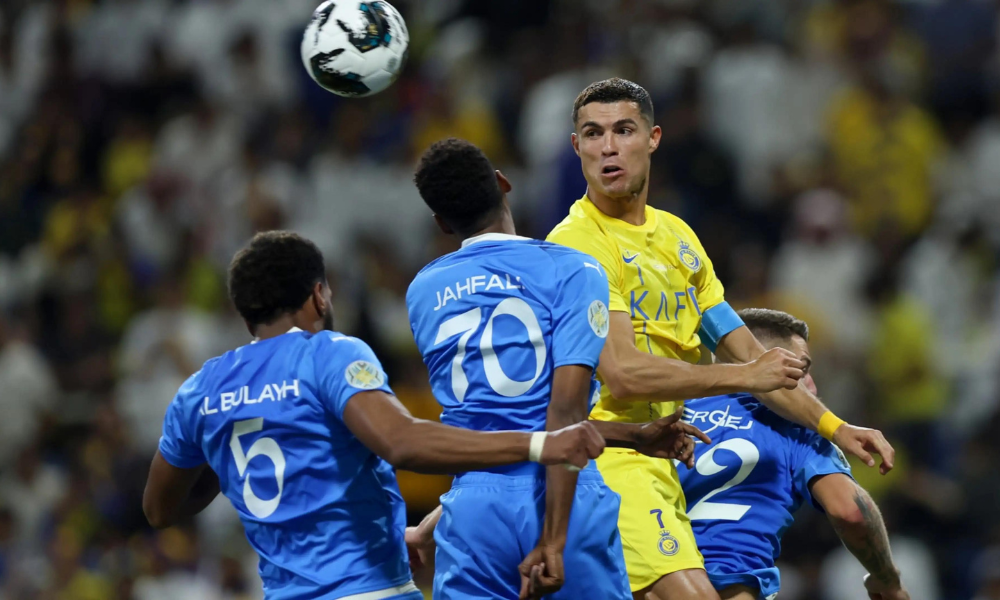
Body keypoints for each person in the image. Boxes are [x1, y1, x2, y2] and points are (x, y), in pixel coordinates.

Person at [545, 77, 895, 600]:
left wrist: (836, 427)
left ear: (654, 137)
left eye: (624, 130)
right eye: (593, 135)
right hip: (608, 458)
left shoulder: (679, 239)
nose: (608, 147)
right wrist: (742, 376)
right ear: (577, 147)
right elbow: (622, 371)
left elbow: (757, 359)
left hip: (663, 464)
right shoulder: (577, 244)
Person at [142, 231, 607, 600]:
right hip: (371, 589)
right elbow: (402, 442)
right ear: (319, 296)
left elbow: (159, 508)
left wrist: (231, 472)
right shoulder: (326, 354)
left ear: (246, 316)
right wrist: (538, 443)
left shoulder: (200, 391)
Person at [406, 138, 710, 600]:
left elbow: (501, 418)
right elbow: (562, 412)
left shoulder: (423, 291)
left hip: (472, 509)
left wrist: (632, 435)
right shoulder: (573, 269)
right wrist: (553, 538)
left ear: (441, 223)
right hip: (562, 495)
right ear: (503, 184)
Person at [679, 308, 910, 600]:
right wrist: (886, 577)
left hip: (645, 579)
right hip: (730, 587)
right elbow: (851, 513)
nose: (811, 384)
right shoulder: (798, 431)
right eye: (803, 369)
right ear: (771, 363)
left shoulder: (670, 414)